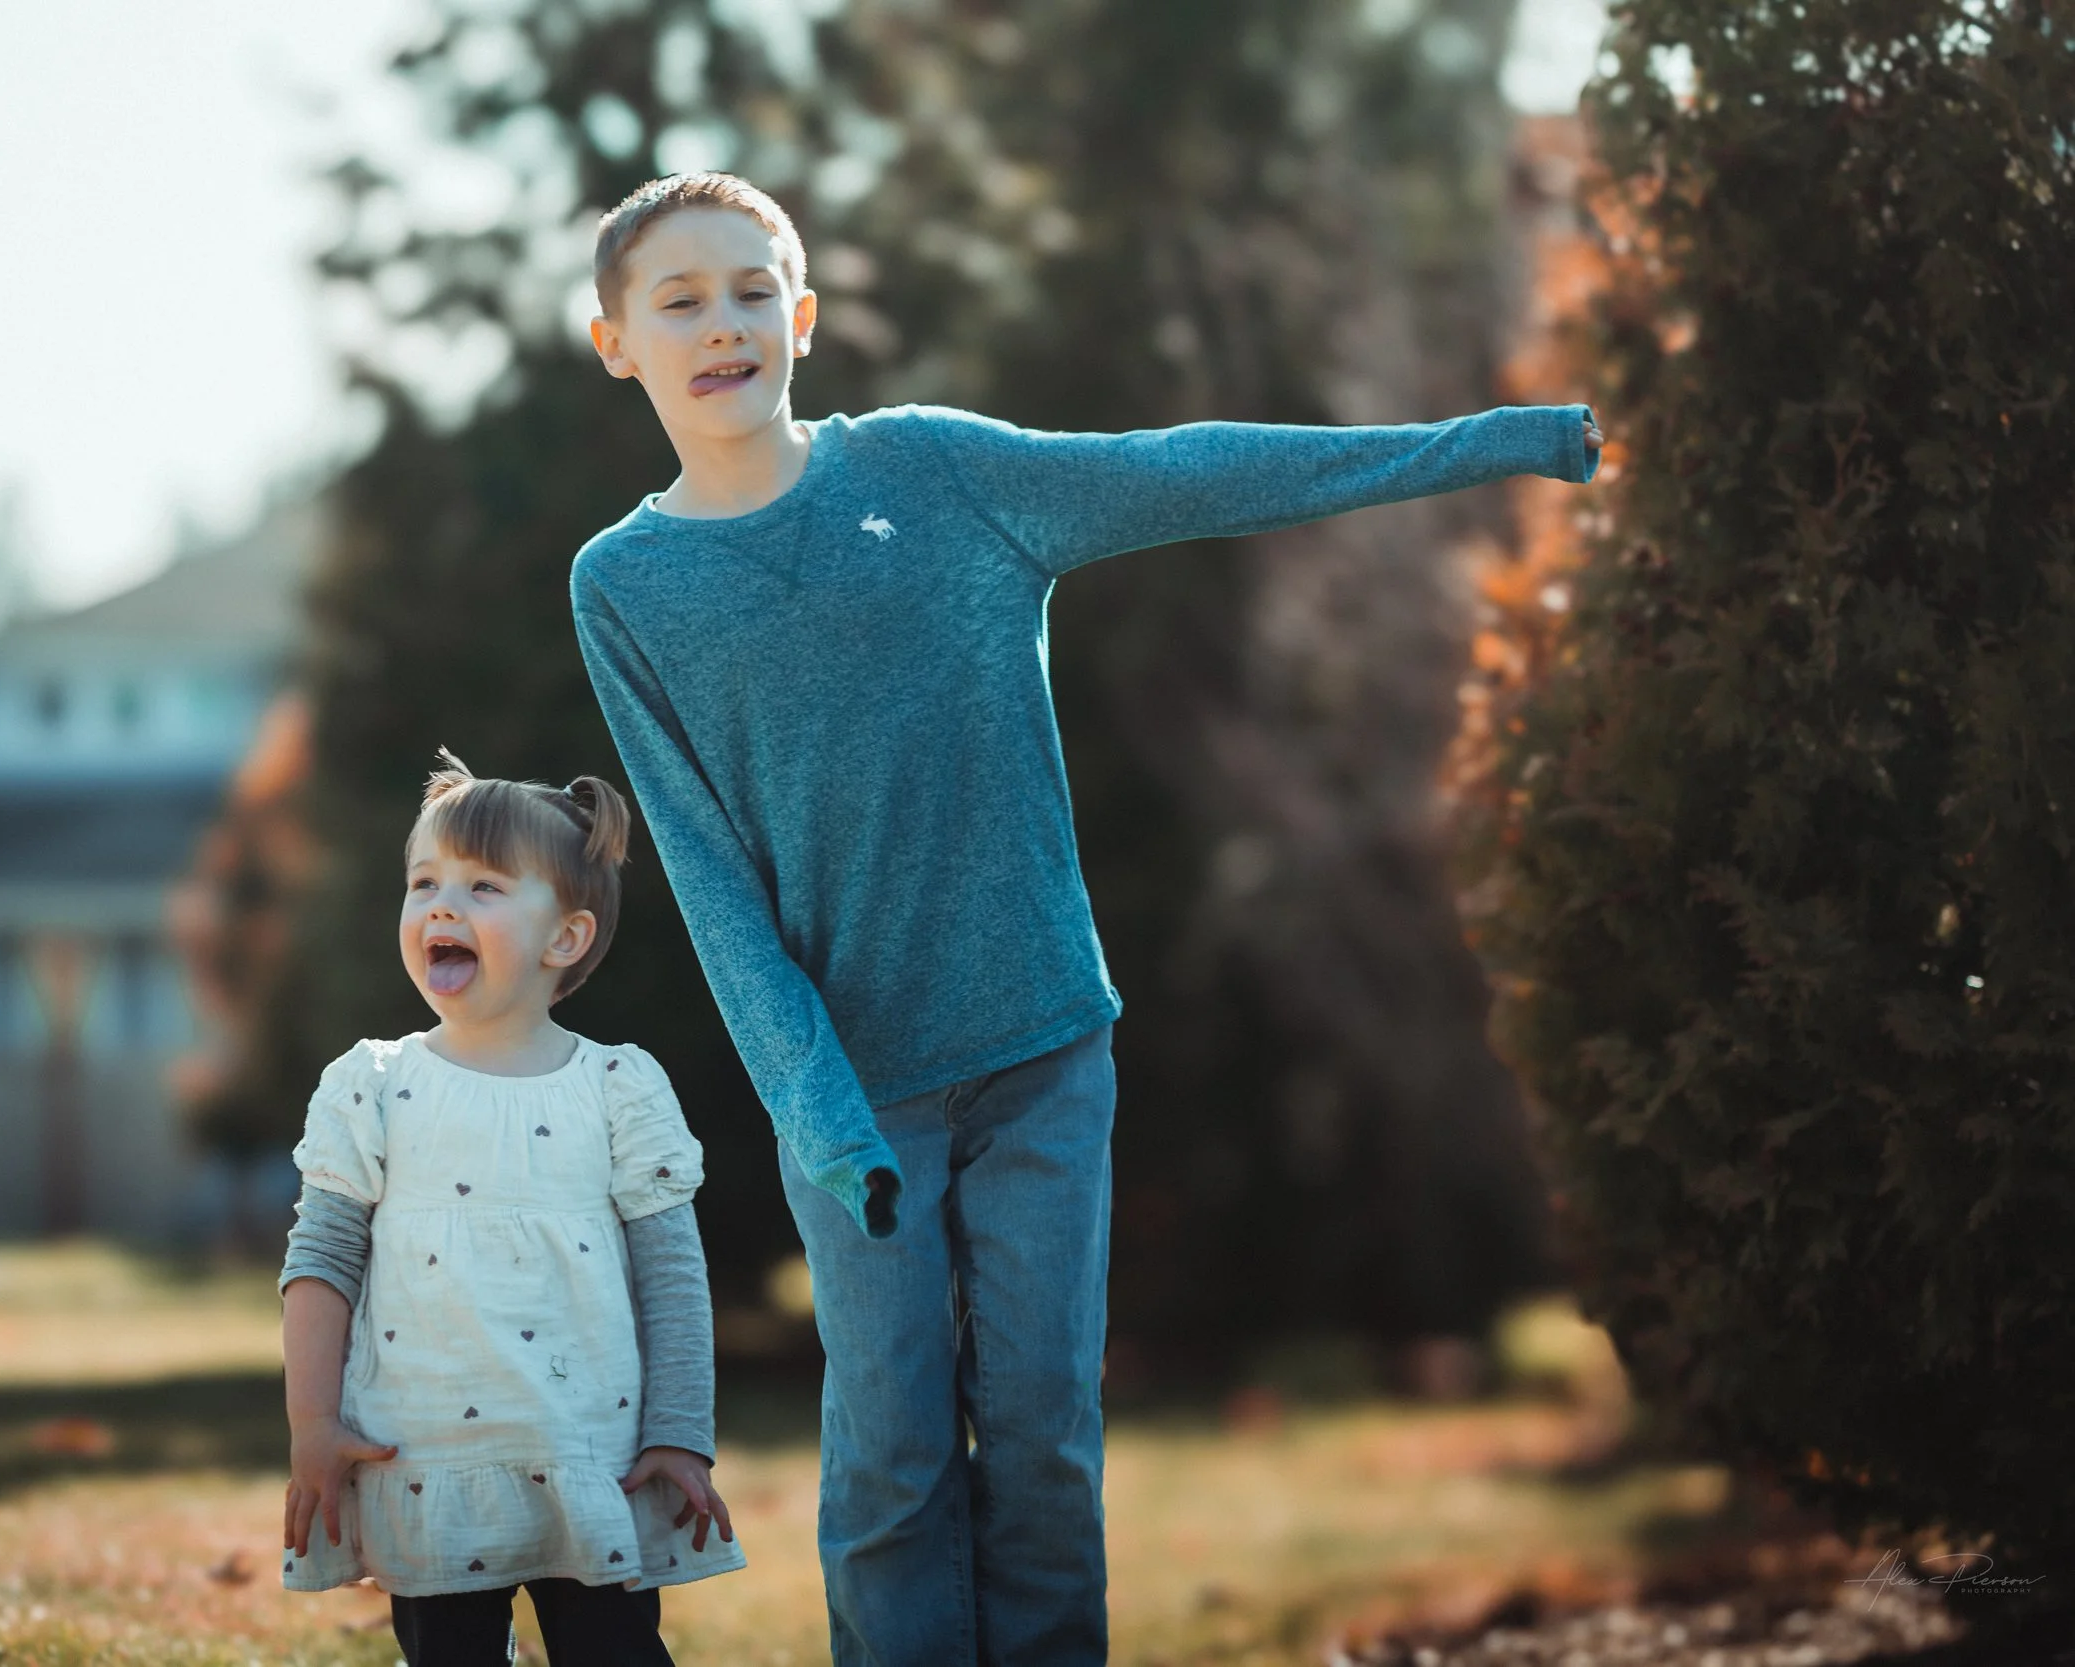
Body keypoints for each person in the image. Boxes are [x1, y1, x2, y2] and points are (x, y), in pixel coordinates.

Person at [566, 170, 1605, 1665]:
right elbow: (706, 872)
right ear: (618, 341)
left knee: (1046, 1439)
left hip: (1045, 1044)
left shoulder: (936, 472)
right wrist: (821, 1109)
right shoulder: (629, 583)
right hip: (849, 1093)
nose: (721, 324)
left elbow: (1191, 469)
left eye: (750, 291)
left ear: (801, 317)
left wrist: (1488, 446)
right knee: (891, 1463)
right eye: (679, 300)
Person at [277, 747, 743, 1667]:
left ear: (563, 938)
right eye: (424, 882)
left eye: (484, 886)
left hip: (593, 1458)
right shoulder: (372, 1085)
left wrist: (680, 1433)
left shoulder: (617, 1088)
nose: (441, 905)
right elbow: (321, 1262)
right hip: (424, 1462)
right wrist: (313, 1426)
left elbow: (672, 1276)